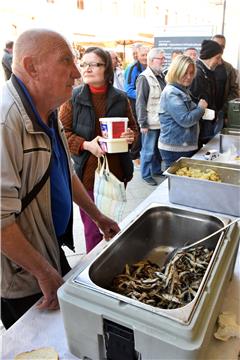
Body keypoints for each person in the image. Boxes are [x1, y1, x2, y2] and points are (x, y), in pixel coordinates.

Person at [0, 29, 120, 330]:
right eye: (66, 60)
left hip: (47, 249)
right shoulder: (6, 122)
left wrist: (97, 216)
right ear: (31, 67)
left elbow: (64, 170)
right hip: (21, 272)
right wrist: (42, 270)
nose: (77, 72)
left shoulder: (48, 111)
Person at [59, 47, 139, 254]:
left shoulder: (120, 98)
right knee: (93, 230)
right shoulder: (72, 98)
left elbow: (134, 129)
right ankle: (92, 270)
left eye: (94, 64)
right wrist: (86, 145)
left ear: (107, 68)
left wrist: (131, 137)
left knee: (113, 223)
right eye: (84, 64)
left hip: (117, 173)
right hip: (86, 176)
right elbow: (61, 135)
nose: (87, 68)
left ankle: (110, 258)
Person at [158, 55, 208, 169]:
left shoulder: (182, 89)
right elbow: (185, 120)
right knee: (178, 184)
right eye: (185, 73)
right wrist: (201, 109)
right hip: (175, 148)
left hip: (182, 146)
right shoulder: (172, 92)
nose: (189, 77)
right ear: (176, 72)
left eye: (191, 73)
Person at [136, 48, 166, 186]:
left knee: (157, 150)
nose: (163, 61)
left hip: (160, 121)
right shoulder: (144, 77)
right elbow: (140, 102)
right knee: (148, 151)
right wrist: (143, 123)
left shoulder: (161, 76)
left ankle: (156, 170)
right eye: (161, 59)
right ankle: (145, 174)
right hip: (150, 122)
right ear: (152, 60)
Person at [190, 39, 223, 146]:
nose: (219, 62)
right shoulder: (197, 73)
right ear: (209, 56)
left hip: (208, 121)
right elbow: (195, 101)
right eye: (217, 58)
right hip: (201, 125)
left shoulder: (208, 71)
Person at [124, 46, 149, 166]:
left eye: (146, 54)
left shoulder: (148, 66)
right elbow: (128, 89)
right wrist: (143, 95)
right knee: (137, 129)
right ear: (137, 56)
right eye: (142, 55)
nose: (145, 57)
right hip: (134, 103)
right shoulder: (133, 68)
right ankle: (134, 156)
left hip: (145, 103)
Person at [212, 34, 239, 124]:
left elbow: (234, 91)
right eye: (216, 45)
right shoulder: (201, 67)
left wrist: (224, 110)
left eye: (222, 46)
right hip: (203, 114)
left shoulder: (229, 68)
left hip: (221, 115)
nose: (219, 48)